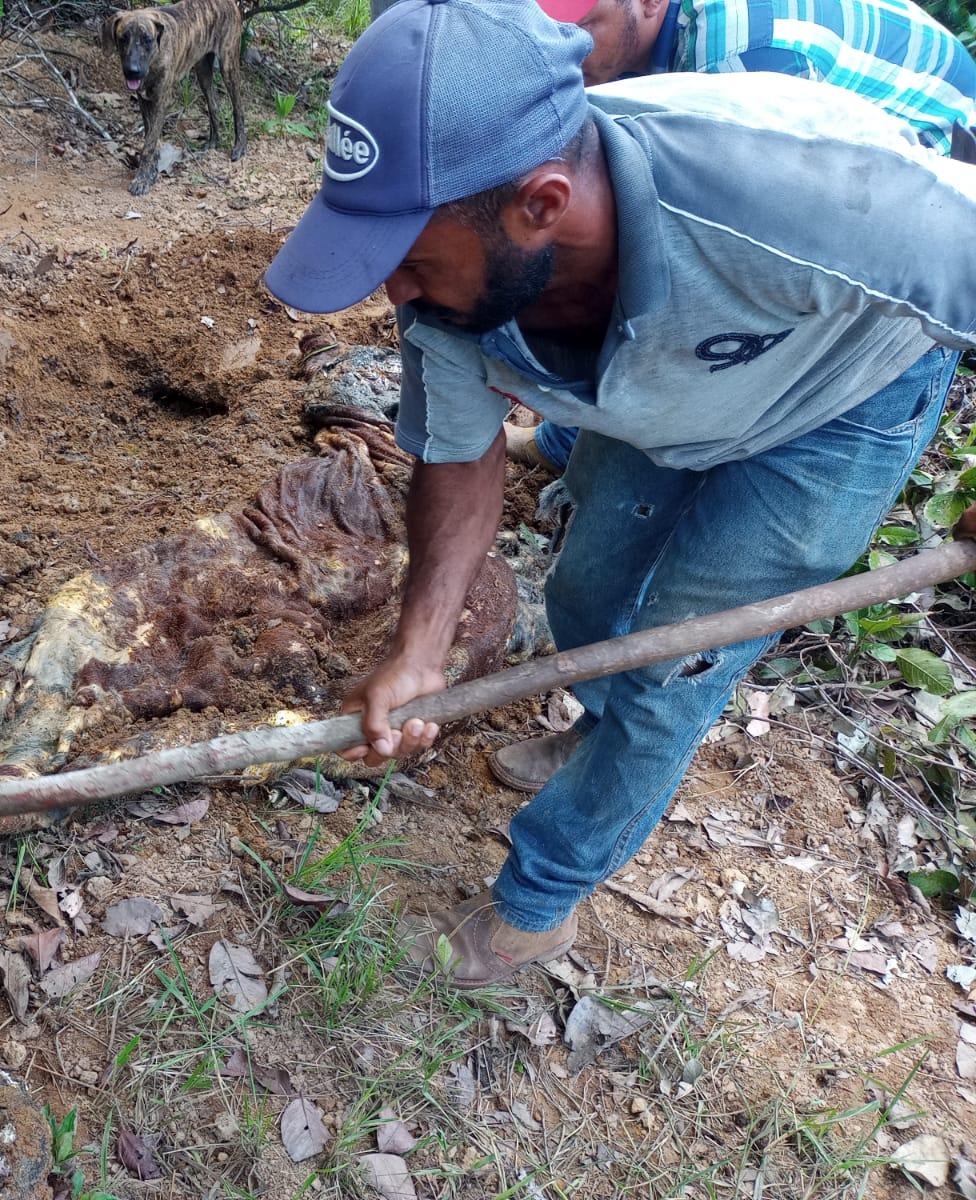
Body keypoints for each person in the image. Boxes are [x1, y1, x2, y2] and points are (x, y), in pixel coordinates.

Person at [264, 0, 976, 986]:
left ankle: (536, 905)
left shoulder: (799, 196)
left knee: (669, 671)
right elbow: (462, 455)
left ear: (541, 203)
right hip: (656, 391)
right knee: (588, 598)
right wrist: (419, 649)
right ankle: (589, 736)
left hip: (836, 402)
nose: (395, 294)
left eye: (412, 260)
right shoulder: (463, 289)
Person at [505, 0, 976, 471]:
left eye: (581, 30)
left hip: (925, 192)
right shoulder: (653, 46)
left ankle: (563, 446)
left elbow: (699, 255)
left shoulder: (738, 62)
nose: (565, 56)